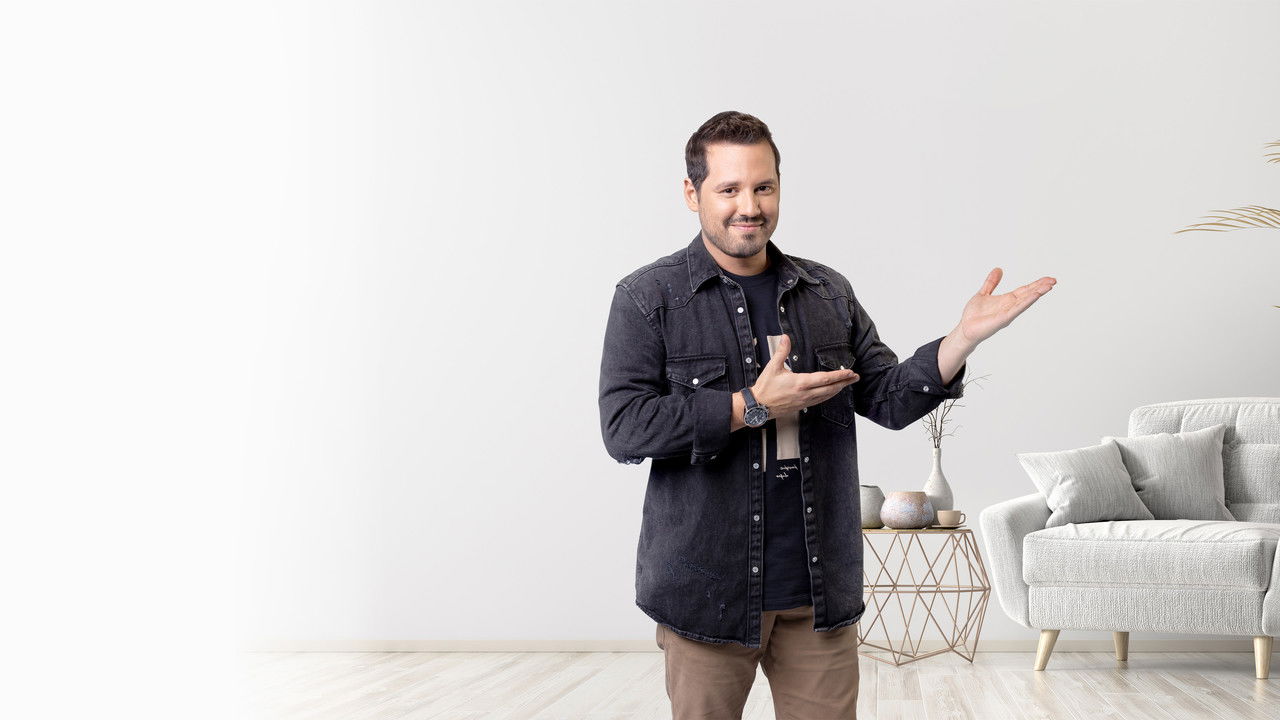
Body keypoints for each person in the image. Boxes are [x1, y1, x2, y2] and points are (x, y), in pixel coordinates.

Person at [597, 110, 1056, 719]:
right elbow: (624, 427)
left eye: (763, 187)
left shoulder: (826, 293)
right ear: (692, 193)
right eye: (729, 189)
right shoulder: (646, 298)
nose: (749, 206)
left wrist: (961, 340)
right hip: (707, 592)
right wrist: (750, 405)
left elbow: (888, 398)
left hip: (817, 590)